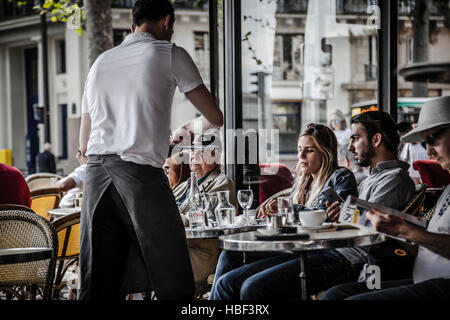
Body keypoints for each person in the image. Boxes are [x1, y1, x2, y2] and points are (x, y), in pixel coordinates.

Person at [77, 0, 223, 300]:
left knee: (98, 282)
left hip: (95, 176)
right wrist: (185, 131)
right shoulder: (170, 53)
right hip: (139, 175)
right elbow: (214, 117)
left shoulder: (101, 62)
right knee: (173, 277)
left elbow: (84, 137)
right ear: (167, 22)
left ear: (133, 26)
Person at [209, 123, 358, 300]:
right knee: (229, 259)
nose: (300, 156)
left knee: (249, 287)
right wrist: (274, 214)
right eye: (299, 149)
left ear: (325, 152)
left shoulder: (340, 177)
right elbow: (291, 222)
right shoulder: (302, 182)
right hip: (295, 248)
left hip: (325, 252)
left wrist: (285, 208)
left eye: (309, 150)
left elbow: (324, 218)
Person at [322, 95, 450, 300]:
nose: (428, 150)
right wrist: (398, 231)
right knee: (336, 295)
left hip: (437, 283)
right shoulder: (447, 190)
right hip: (421, 276)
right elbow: (423, 246)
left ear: (377, 139)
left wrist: (403, 229)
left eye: (432, 139)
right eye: (426, 142)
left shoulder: (396, 178)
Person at [326, 111, 416, 281]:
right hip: (341, 251)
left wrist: (345, 212)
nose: (351, 146)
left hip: (354, 259)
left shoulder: (395, 178)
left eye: (355, 138)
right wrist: (342, 212)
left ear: (376, 140)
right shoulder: (372, 178)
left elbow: (371, 225)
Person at [173, 133, 237, 295]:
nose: (193, 155)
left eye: (201, 151)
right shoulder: (184, 186)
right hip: (179, 247)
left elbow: (204, 218)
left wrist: (166, 219)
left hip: (200, 254)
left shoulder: (223, 183)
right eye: (193, 150)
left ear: (215, 156)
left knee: (152, 260)